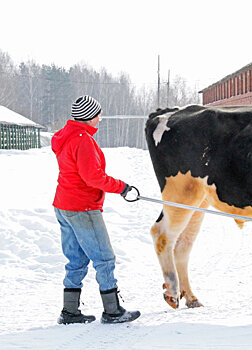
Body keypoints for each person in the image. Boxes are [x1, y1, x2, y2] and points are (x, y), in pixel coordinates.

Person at [52, 95, 140, 324]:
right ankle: (113, 311)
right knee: (104, 258)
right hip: (82, 207)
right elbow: (93, 177)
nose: (100, 118)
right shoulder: (82, 140)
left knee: (76, 259)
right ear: (89, 116)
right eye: (98, 114)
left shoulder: (67, 135)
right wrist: (122, 187)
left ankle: (69, 312)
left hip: (64, 204)